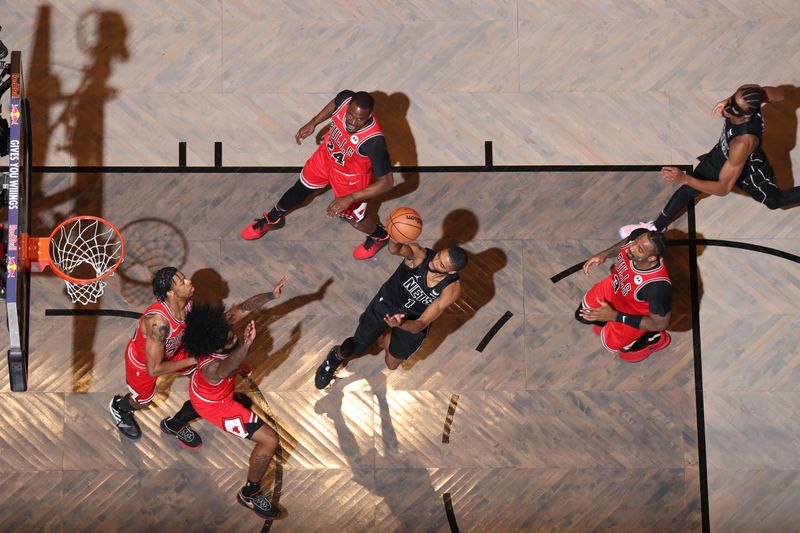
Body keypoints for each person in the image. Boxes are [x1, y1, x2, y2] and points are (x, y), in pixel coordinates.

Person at [620, 84, 799, 237]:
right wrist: (731, 100)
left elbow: (722, 189)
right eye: (730, 103)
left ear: (747, 115)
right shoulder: (751, 94)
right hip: (721, 157)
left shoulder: (743, 141)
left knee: (775, 202)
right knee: (689, 190)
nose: (727, 110)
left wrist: (684, 178)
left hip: (750, 174)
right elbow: (780, 94)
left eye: (733, 109)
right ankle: (656, 226)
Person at [241, 90, 395, 260]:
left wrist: (350, 198)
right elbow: (334, 104)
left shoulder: (374, 142)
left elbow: (387, 182)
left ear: (369, 115)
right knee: (300, 188)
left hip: (350, 179)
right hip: (326, 158)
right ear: (348, 106)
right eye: (350, 115)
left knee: (355, 220)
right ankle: (273, 219)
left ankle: (380, 236)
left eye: (360, 119)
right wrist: (313, 122)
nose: (353, 122)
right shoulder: (344, 99)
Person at [314, 239, 468, 389]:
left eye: (440, 264)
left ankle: (388, 331)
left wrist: (399, 324)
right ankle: (334, 359)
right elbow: (395, 249)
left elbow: (420, 325)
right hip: (386, 305)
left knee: (392, 364)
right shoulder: (419, 255)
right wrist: (395, 237)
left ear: (451, 271)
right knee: (358, 346)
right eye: (438, 255)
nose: (433, 262)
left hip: (411, 321)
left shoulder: (451, 289)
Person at [179, 304, 282, 520]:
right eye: (230, 340)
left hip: (203, 391)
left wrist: (270, 295)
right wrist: (246, 345)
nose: (233, 337)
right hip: (216, 406)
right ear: (216, 350)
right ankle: (250, 494)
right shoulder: (213, 367)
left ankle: (173, 424)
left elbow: (243, 307)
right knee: (269, 441)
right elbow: (227, 367)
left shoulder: (216, 334)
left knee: (200, 403)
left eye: (231, 334)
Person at [109, 267, 200, 443]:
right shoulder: (158, 323)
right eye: (182, 282)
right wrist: (194, 358)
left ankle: (178, 422)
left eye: (185, 277)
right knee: (143, 402)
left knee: (204, 372)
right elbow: (154, 369)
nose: (189, 281)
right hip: (144, 364)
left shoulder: (189, 301)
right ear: (171, 293)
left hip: (174, 350)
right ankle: (120, 407)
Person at [577, 229, 672, 362]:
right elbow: (625, 243)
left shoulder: (656, 287)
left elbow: (660, 324)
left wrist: (614, 316)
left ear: (651, 258)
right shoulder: (638, 236)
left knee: (623, 350)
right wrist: (605, 254)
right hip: (614, 289)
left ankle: (652, 338)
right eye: (636, 241)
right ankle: (609, 321)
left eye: (639, 249)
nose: (632, 247)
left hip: (631, 314)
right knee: (582, 315)